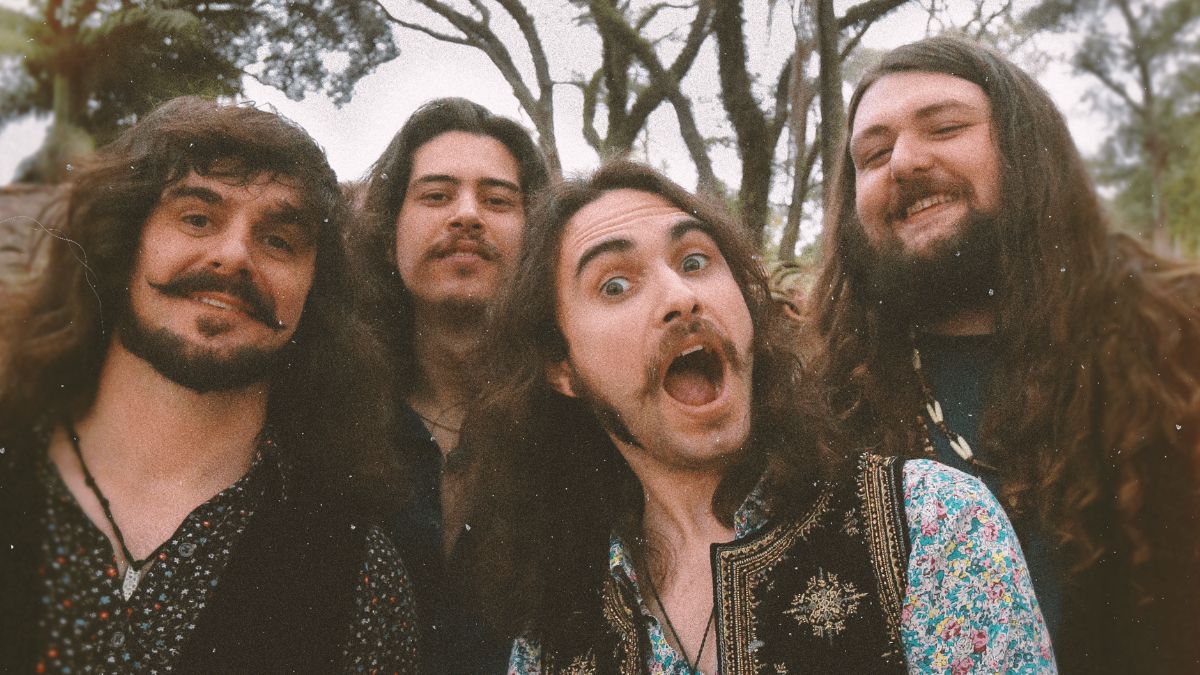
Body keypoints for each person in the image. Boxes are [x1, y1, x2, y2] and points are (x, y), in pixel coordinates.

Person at [460, 160, 1054, 673]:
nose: (680, 297)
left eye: (696, 261)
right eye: (615, 285)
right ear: (561, 367)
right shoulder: (553, 633)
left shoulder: (930, 521)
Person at [810, 35, 1200, 672]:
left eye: (945, 127)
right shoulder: (826, 404)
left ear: (1027, 150)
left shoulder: (1179, 342)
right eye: (873, 155)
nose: (904, 162)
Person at [0, 97, 419, 672]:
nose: (233, 255)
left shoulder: (360, 575)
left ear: (314, 295)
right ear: (122, 242)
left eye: (279, 241)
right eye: (197, 218)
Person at [350, 97, 549, 672]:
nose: (467, 216)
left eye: (498, 201)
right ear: (389, 232)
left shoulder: (578, 422)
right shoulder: (330, 414)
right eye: (436, 196)